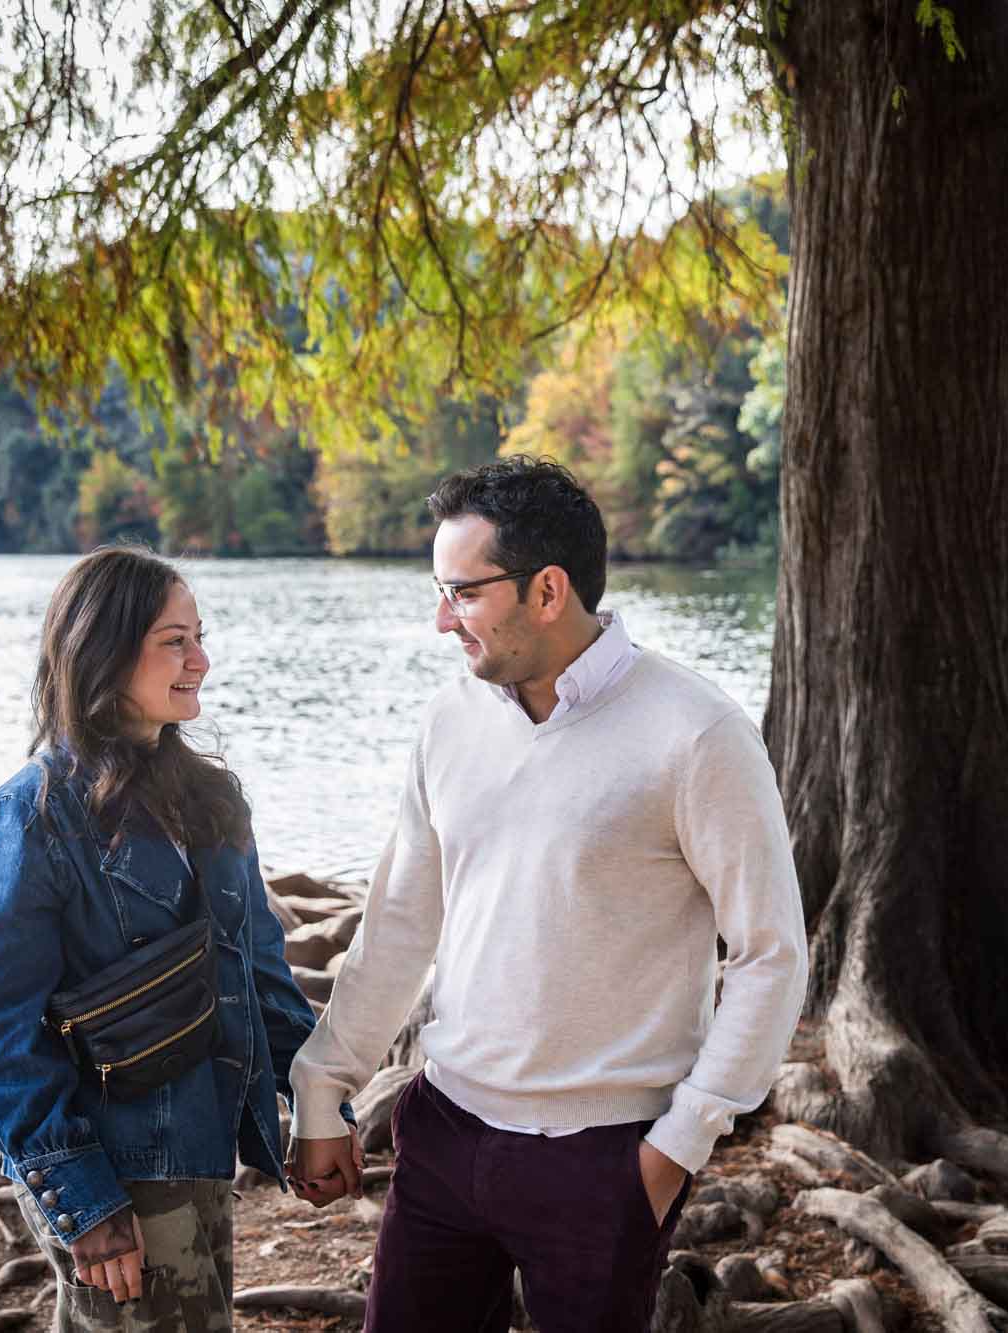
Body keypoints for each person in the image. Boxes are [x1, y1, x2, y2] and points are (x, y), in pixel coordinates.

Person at [286, 457, 809, 1332]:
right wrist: (323, 1084)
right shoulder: (451, 717)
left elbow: (770, 954)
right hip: (445, 1134)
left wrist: (676, 1147)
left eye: (463, 593)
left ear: (549, 589)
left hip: (606, 1163)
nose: (441, 619)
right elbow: (402, 923)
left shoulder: (696, 732)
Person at [0, 545, 341, 1332]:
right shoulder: (31, 817)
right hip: (111, 1176)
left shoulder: (214, 799)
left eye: (200, 636)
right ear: (104, 647)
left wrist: (318, 1106)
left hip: (198, 1157)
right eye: (175, 640)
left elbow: (259, 970)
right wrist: (85, 1201)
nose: (201, 659)